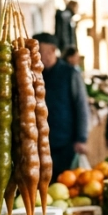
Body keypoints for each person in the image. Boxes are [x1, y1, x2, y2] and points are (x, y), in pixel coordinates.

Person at [36, 32, 90, 175]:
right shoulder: (35, 75)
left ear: (52, 50)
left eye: (39, 51)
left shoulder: (70, 73)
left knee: (65, 181)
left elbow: (81, 106)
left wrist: (81, 138)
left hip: (65, 143)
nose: (35, 56)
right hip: (39, 145)